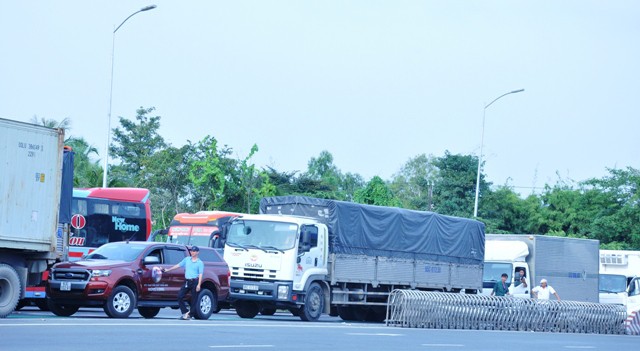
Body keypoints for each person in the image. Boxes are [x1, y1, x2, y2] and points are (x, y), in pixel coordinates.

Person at [162, 246, 204, 320]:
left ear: (197, 252)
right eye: (191, 251)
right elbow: (178, 265)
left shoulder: (200, 263)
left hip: (195, 281)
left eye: (194, 251)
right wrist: (168, 270)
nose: (192, 252)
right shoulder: (187, 259)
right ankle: (185, 312)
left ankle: (190, 315)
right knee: (180, 296)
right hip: (187, 281)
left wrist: (199, 285)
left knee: (194, 299)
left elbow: (200, 274)